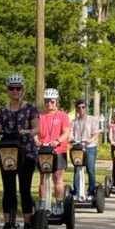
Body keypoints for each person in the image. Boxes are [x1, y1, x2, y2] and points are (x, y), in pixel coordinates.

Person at [0, 74, 39, 229]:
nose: (15, 91)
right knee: (8, 189)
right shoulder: (3, 110)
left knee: (24, 189)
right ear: (7, 90)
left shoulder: (30, 108)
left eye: (18, 88)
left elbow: (37, 128)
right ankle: (8, 223)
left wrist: (29, 131)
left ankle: (27, 224)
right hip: (8, 153)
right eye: (12, 88)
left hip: (27, 153)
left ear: (22, 90)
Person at [34, 88, 70, 216]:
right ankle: (43, 204)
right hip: (43, 151)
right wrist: (36, 141)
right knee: (43, 178)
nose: (49, 104)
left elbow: (66, 132)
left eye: (52, 101)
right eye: (47, 101)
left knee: (57, 179)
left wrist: (58, 140)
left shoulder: (62, 116)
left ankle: (59, 204)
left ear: (57, 102)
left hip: (58, 151)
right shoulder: (40, 116)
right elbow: (35, 132)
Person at [69, 99, 100, 200]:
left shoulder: (92, 119)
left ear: (86, 108)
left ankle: (91, 192)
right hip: (77, 149)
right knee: (77, 170)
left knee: (90, 170)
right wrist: (72, 140)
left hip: (90, 148)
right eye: (79, 108)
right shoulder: (73, 122)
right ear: (76, 110)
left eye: (83, 107)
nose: (81, 109)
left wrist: (90, 140)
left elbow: (96, 133)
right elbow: (70, 134)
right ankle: (76, 192)